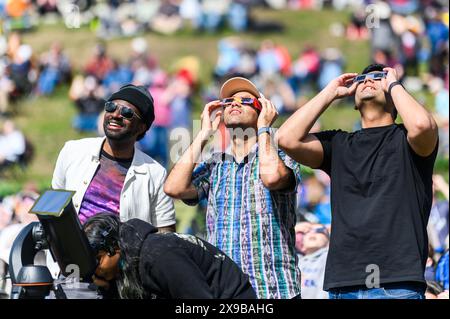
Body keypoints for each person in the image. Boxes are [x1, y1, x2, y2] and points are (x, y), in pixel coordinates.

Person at [277, 64, 439, 299]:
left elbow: (423, 125)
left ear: (395, 98)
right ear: (353, 100)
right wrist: (330, 92)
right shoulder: (339, 144)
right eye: (362, 78)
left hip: (397, 283)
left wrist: (394, 84)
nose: (368, 81)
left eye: (378, 77)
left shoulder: (410, 141)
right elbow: (286, 138)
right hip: (344, 283)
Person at [164, 77, 302, 299]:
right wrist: (203, 134)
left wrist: (264, 128)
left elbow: (273, 178)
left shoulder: (281, 153)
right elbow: (174, 188)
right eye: (228, 101)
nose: (234, 104)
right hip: (224, 290)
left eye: (245, 100)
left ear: (263, 109)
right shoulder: (215, 162)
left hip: (273, 289)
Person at [52, 84, 175, 230]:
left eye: (127, 112)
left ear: (142, 127)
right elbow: (52, 207)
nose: (116, 115)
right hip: (67, 251)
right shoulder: (72, 151)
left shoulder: (155, 174)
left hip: (124, 252)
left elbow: (165, 233)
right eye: (111, 107)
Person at [84, 213, 257, 299]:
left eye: (98, 260)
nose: (96, 269)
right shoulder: (131, 258)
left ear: (115, 248)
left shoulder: (159, 257)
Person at [295, 222, 329, 299]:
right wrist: (295, 229)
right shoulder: (296, 261)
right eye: (307, 232)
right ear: (302, 245)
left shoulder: (328, 257)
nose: (312, 233)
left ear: (328, 242)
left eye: (319, 230)